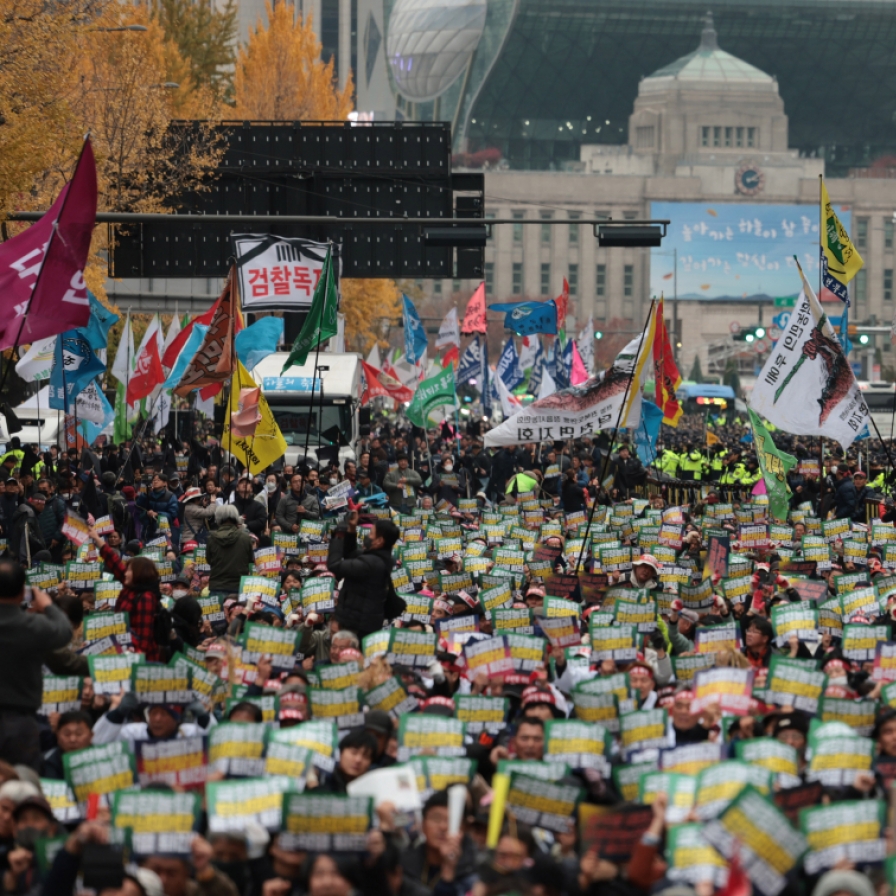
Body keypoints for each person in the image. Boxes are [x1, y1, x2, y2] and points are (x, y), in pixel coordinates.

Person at [0, 559, 71, 770]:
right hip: (21, 724)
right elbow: (64, 631)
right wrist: (47, 604)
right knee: (24, 787)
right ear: (23, 592)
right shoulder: (33, 626)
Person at [89, 526, 164, 661]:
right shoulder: (131, 587)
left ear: (139, 574)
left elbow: (144, 639)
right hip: (123, 652)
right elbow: (114, 561)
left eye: (129, 570)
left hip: (139, 661)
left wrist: (129, 660)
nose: (126, 572)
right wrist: (96, 538)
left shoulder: (146, 598)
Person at [327, 511, 400, 639]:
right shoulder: (380, 557)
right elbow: (351, 554)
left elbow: (334, 565)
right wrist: (351, 529)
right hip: (362, 622)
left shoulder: (371, 563)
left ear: (379, 541)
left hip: (356, 626)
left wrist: (338, 536)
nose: (368, 536)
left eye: (371, 533)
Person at [207, 504, 255, 597]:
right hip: (239, 587)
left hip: (217, 586)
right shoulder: (245, 538)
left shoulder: (211, 539)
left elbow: (209, 560)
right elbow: (250, 559)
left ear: (218, 518)